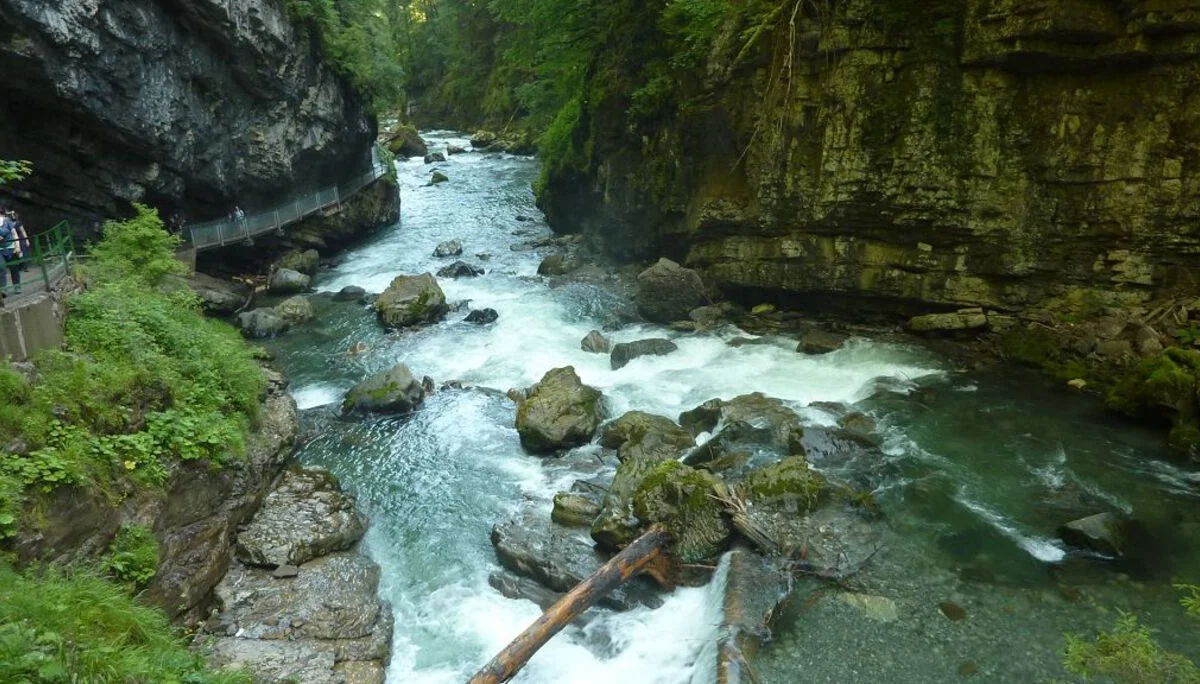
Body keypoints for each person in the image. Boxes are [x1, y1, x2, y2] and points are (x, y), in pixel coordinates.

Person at [0, 207, 24, 293]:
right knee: (1, 267)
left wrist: (17, 247)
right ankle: (3, 289)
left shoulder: (8, 221)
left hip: (11, 247)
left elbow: (14, 233)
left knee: (14, 268)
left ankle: (17, 287)